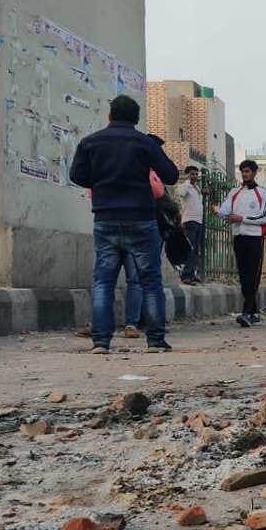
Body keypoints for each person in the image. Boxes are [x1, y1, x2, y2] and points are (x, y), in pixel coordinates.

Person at [69, 95, 179, 353]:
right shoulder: (144, 143)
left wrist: (102, 184)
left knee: (103, 281)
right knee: (150, 280)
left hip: (105, 218)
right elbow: (171, 176)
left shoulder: (90, 142)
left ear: (110, 115)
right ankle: (155, 341)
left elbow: (76, 175)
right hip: (141, 219)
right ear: (136, 118)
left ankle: (101, 342)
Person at [212, 160, 266, 327]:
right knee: (244, 276)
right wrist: (216, 210)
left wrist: (242, 218)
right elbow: (224, 211)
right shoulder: (235, 192)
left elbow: (265, 218)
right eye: (243, 172)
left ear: (254, 172)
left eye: (247, 171)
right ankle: (253, 313)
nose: (245, 174)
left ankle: (247, 312)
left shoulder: (263, 192)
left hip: (255, 238)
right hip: (238, 236)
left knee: (253, 276)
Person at [176, 165, 204, 285]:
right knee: (190, 249)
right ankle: (185, 276)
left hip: (198, 221)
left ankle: (192, 274)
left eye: (196, 174)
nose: (195, 176)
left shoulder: (196, 188)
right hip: (189, 221)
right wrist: (187, 182)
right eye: (192, 174)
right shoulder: (185, 186)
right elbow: (180, 193)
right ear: (187, 175)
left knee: (196, 250)